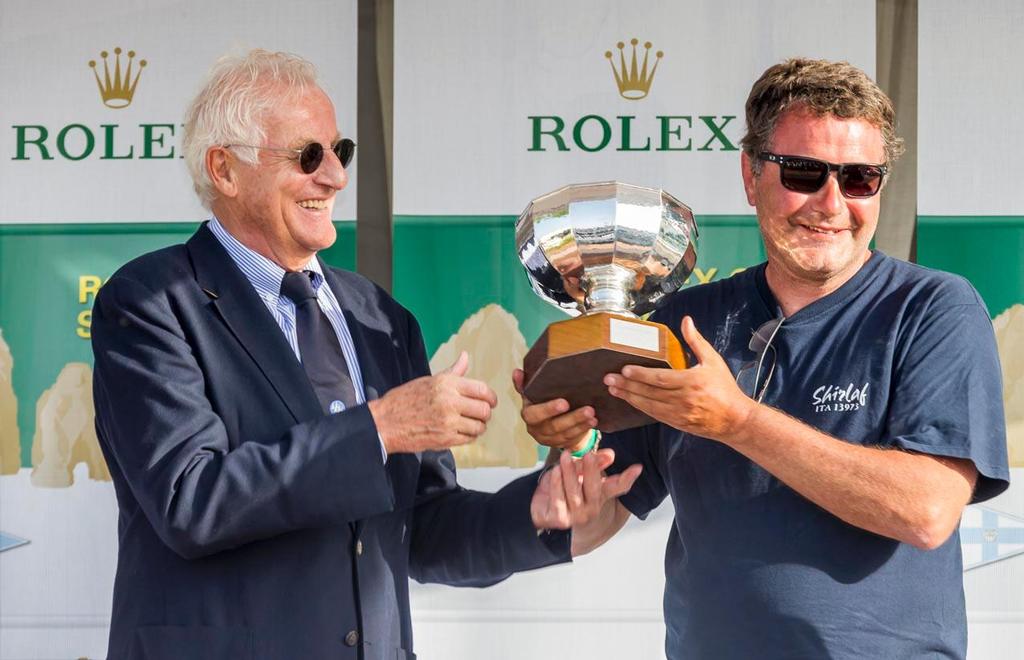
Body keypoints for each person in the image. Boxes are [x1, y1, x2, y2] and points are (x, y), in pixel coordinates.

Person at [91, 50, 636, 660]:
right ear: (224, 169)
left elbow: (422, 529)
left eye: (339, 152)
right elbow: (190, 500)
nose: (335, 178)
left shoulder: (379, 318)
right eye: (307, 156)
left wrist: (531, 513)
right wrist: (379, 428)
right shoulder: (151, 302)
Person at [521, 58, 1010, 659]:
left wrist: (738, 422)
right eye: (804, 173)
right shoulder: (685, 320)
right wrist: (572, 459)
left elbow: (927, 510)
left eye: (859, 179)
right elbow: (601, 513)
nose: (832, 204)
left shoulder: (933, 307)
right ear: (751, 177)